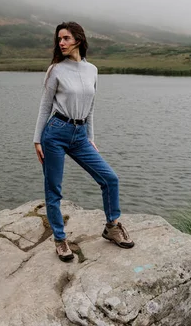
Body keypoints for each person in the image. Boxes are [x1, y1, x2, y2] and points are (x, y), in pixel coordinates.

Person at [33, 21, 135, 262]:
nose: (61, 42)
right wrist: (37, 139)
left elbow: (91, 108)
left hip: (80, 135)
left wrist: (90, 137)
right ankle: (60, 239)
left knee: (110, 178)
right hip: (55, 132)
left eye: (66, 38)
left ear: (78, 39)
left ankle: (112, 227)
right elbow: (45, 106)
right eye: (59, 39)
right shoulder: (55, 70)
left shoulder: (92, 70)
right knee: (54, 189)